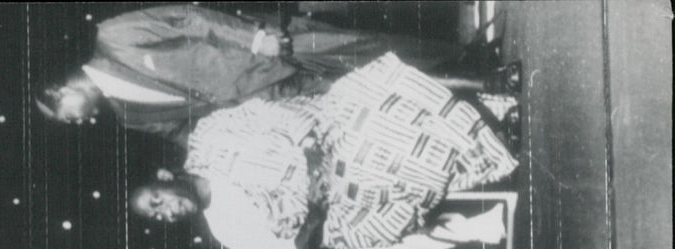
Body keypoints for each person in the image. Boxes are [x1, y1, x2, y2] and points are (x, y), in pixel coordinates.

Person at [130, 53, 517, 249]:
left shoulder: (207, 136)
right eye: (159, 218)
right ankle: (492, 142)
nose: (167, 214)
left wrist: (312, 149)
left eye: (157, 201)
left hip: (320, 130)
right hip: (334, 201)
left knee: (364, 94)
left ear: (165, 177)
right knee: (369, 182)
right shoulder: (224, 230)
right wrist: (315, 214)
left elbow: (265, 113)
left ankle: (490, 87)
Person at [35, 4, 459, 141]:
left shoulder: (114, 37)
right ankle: (479, 91)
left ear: (60, 89)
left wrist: (255, 39)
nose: (78, 120)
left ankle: (467, 62)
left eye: (66, 114)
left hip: (270, 48)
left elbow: (190, 18)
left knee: (374, 53)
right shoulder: (129, 116)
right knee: (370, 94)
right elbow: (189, 134)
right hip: (267, 96)